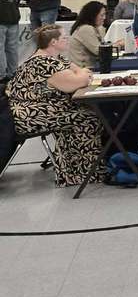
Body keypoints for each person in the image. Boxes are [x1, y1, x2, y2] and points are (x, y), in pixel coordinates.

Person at [7, 25, 100, 187]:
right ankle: (80, 172)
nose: (68, 40)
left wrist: (80, 74)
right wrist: (80, 75)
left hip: (43, 109)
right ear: (53, 42)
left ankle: (75, 166)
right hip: (29, 116)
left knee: (83, 111)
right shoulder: (43, 63)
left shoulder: (54, 59)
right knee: (88, 117)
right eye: (64, 38)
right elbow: (80, 80)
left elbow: (82, 71)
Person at [68, 1, 121, 68]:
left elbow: (101, 46)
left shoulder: (92, 28)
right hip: (83, 69)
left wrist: (115, 45)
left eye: (105, 15)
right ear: (92, 15)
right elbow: (100, 51)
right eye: (102, 15)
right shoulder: (86, 29)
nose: (104, 18)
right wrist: (118, 45)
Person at [0, 0, 22, 83]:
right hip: (13, 16)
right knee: (12, 48)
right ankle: (13, 73)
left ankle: (1, 75)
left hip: (0, 17)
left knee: (0, 47)